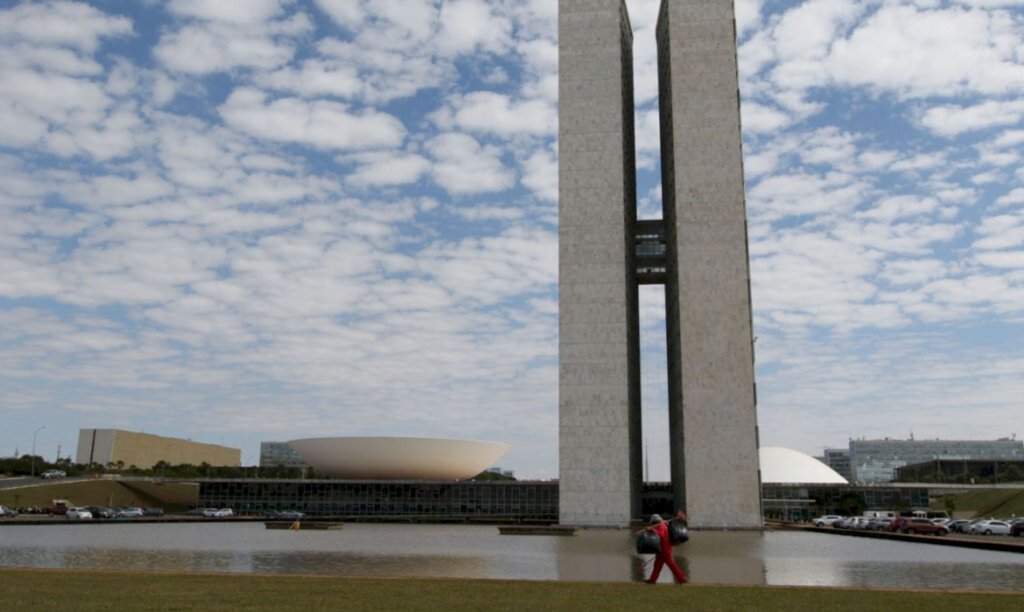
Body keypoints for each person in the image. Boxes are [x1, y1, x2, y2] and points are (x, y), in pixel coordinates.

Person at [642, 513, 687, 584]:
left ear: (655, 521)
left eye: (653, 522)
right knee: (657, 565)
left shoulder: (662, 526)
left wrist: (652, 530)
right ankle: (652, 580)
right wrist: (651, 529)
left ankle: (682, 579)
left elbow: (661, 536)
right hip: (661, 549)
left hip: (665, 550)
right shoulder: (661, 525)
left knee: (671, 565)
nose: (652, 523)